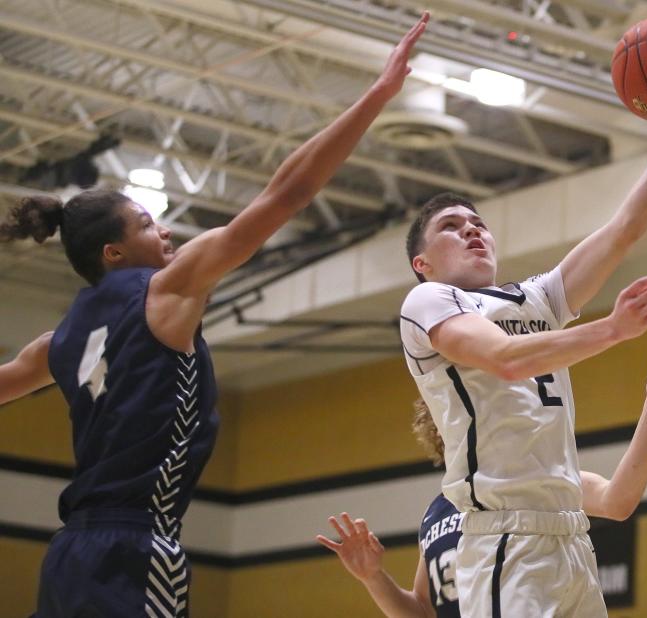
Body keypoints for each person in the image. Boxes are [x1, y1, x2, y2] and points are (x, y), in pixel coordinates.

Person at [0, 13, 429, 617]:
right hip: (137, 545)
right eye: (148, 223)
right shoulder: (166, 291)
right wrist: (377, 94)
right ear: (113, 253)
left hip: (68, 554)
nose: (165, 227)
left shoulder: (54, 344)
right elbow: (287, 194)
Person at [397, 83, 647, 617]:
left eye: (477, 223)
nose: (472, 231)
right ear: (422, 262)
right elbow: (506, 359)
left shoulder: (536, 297)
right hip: (506, 536)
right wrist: (612, 330)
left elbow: (624, 232)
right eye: (450, 228)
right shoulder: (428, 300)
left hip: (572, 538)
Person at [318, 340, 647, 616]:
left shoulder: (539, 477)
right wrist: (372, 577)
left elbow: (617, 501)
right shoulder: (435, 513)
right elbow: (422, 611)